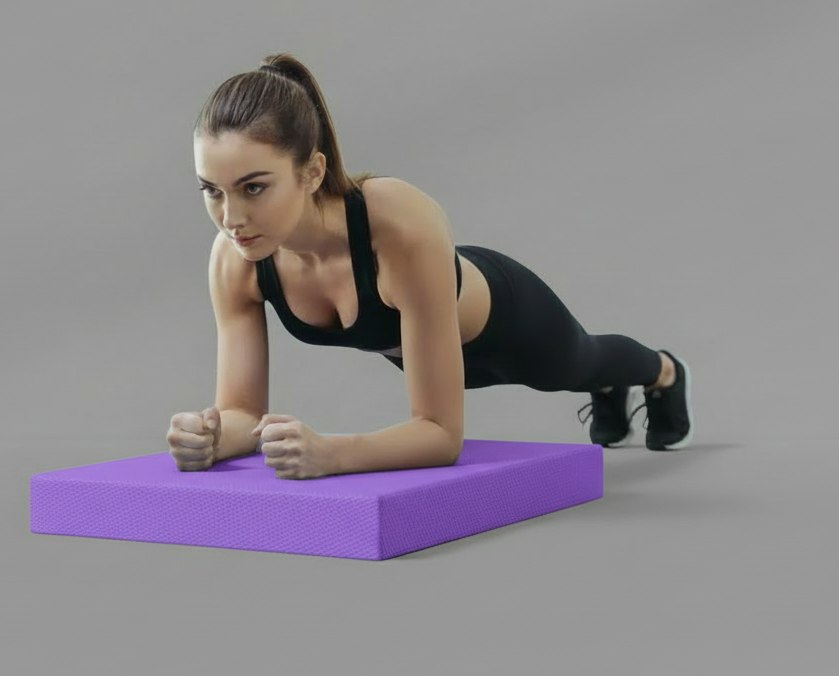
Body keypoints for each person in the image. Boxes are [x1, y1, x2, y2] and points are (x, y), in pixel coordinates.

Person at [167, 53, 694, 480]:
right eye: (212, 191)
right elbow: (242, 413)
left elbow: (441, 435)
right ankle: (608, 387)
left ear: (312, 171)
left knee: (580, 365)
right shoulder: (235, 261)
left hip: (509, 325)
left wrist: (331, 454)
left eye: (254, 187)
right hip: (424, 345)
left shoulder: (396, 223)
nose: (231, 219)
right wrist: (212, 437)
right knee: (579, 371)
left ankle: (663, 372)